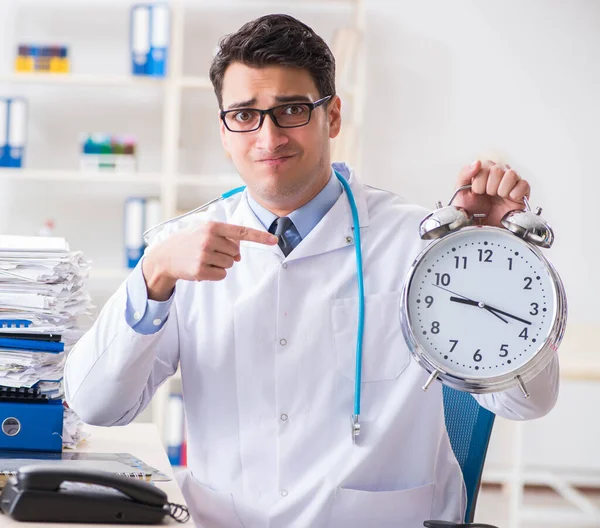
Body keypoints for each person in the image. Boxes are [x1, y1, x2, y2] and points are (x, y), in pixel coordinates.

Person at [64, 14, 559, 527]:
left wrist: (499, 255)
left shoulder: (421, 244)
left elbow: (528, 402)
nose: (268, 136)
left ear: (333, 116)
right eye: (245, 115)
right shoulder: (180, 250)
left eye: (291, 110)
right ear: (224, 128)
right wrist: (154, 275)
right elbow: (96, 405)